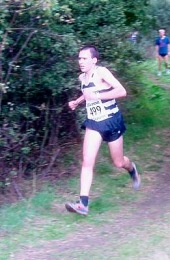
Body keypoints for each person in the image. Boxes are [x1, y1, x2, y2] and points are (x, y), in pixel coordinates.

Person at [65, 45, 141, 216]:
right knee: (87, 161)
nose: (81, 62)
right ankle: (83, 204)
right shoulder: (82, 77)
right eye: (79, 58)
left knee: (119, 162)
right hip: (94, 123)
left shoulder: (102, 72)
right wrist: (77, 102)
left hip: (112, 121)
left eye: (84, 58)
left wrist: (98, 96)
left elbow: (122, 91)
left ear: (94, 60)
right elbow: (88, 93)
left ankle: (132, 169)